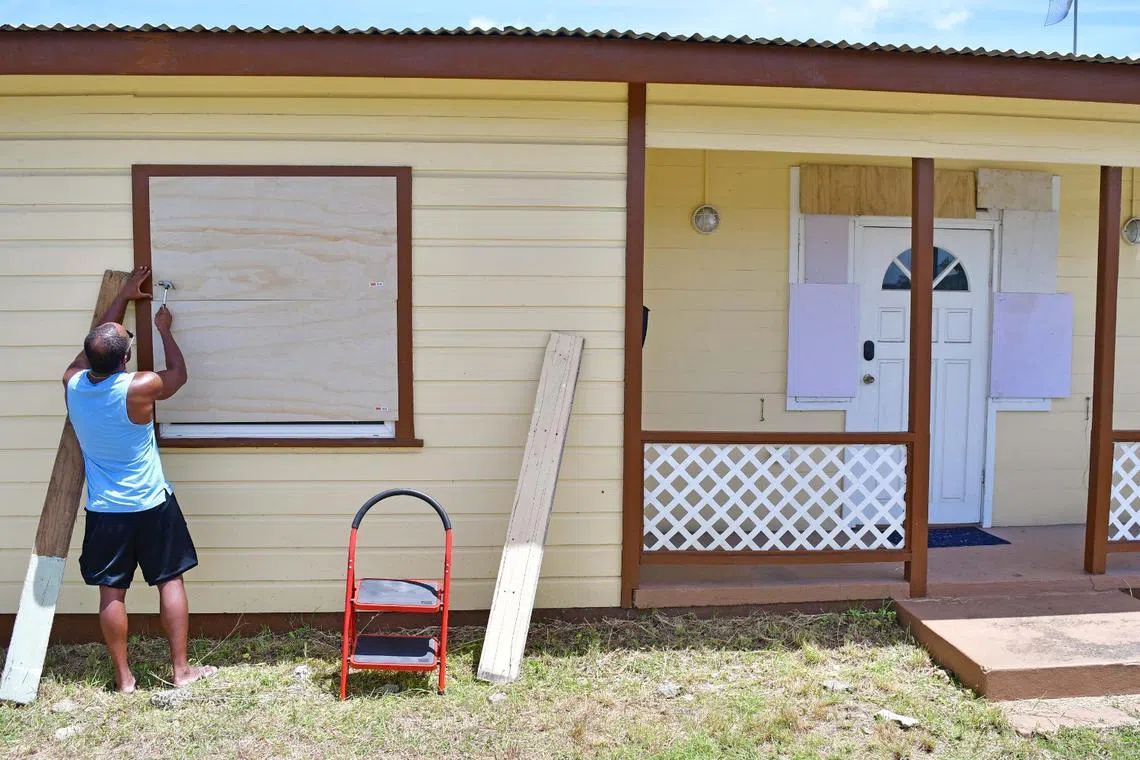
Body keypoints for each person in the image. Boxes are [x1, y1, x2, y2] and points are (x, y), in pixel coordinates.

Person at [62, 265, 215, 693]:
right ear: (126, 360)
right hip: (151, 504)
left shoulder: (72, 383)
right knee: (169, 580)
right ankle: (181, 671)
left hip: (106, 510)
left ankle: (124, 678)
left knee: (112, 593)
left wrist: (124, 298)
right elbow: (178, 376)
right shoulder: (139, 387)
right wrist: (164, 330)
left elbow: (97, 342)